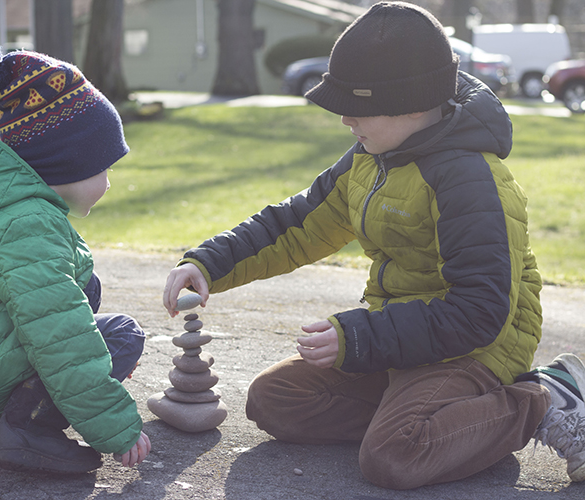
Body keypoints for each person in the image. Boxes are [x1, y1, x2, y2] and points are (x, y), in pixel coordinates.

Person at [163, 1, 585, 489]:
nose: (344, 120)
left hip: (474, 348)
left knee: (393, 457)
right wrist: (208, 263)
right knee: (274, 400)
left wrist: (358, 338)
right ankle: (455, 429)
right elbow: (296, 223)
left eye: (355, 107)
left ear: (409, 101)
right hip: (401, 335)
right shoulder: (370, 156)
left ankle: (542, 400)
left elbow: (479, 312)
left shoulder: (469, 178)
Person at [0, 45, 150, 474]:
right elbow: (64, 341)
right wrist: (117, 427)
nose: (109, 184)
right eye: (104, 169)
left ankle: (0, 422)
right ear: (69, 161)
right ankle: (27, 429)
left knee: (83, 291)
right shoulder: (30, 226)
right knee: (120, 335)